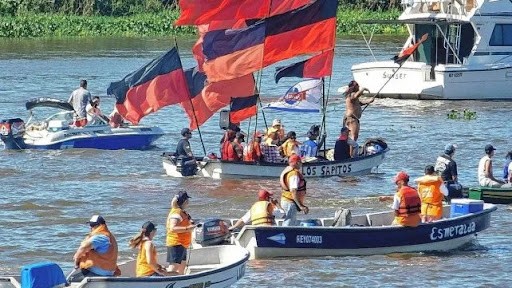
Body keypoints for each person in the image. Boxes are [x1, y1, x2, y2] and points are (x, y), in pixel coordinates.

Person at [69, 215, 119, 282]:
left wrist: (76, 258)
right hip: (108, 271)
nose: (91, 228)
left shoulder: (100, 237)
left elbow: (84, 247)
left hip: (98, 273)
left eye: (92, 225)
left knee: (69, 279)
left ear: (97, 226)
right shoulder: (109, 236)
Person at [166, 191, 195, 275]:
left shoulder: (182, 212)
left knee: (182, 267)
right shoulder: (176, 213)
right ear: (185, 201)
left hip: (182, 244)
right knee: (173, 268)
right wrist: (187, 228)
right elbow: (172, 228)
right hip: (176, 243)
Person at [280, 154, 309, 226]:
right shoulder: (294, 174)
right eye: (300, 162)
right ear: (296, 163)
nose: (301, 164)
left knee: (289, 222)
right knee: (289, 224)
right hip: (290, 202)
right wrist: (301, 206)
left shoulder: (289, 171)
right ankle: (287, 236)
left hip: (285, 200)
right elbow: (293, 191)